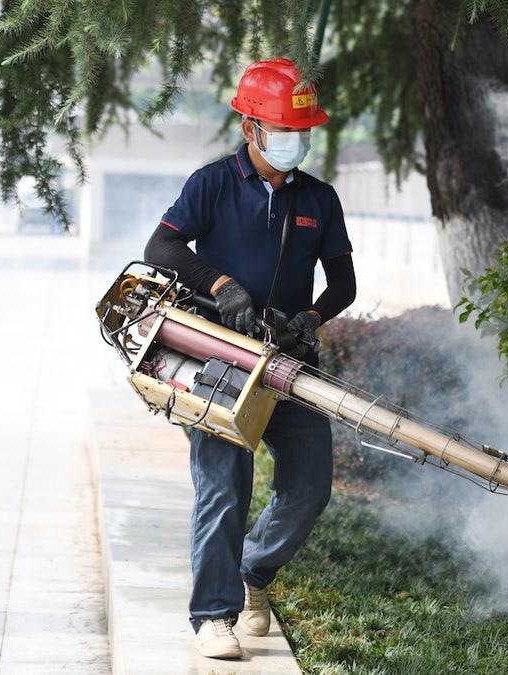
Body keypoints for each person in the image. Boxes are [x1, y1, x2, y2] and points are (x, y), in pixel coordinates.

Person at [142, 57, 356, 660]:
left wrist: (310, 319)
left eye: (303, 131)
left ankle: (253, 573)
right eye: (285, 131)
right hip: (219, 360)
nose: (296, 142)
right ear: (250, 129)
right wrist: (219, 285)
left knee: (310, 487)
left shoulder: (319, 198)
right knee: (223, 488)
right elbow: (161, 246)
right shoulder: (211, 184)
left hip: (288, 361)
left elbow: (343, 283)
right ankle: (213, 616)